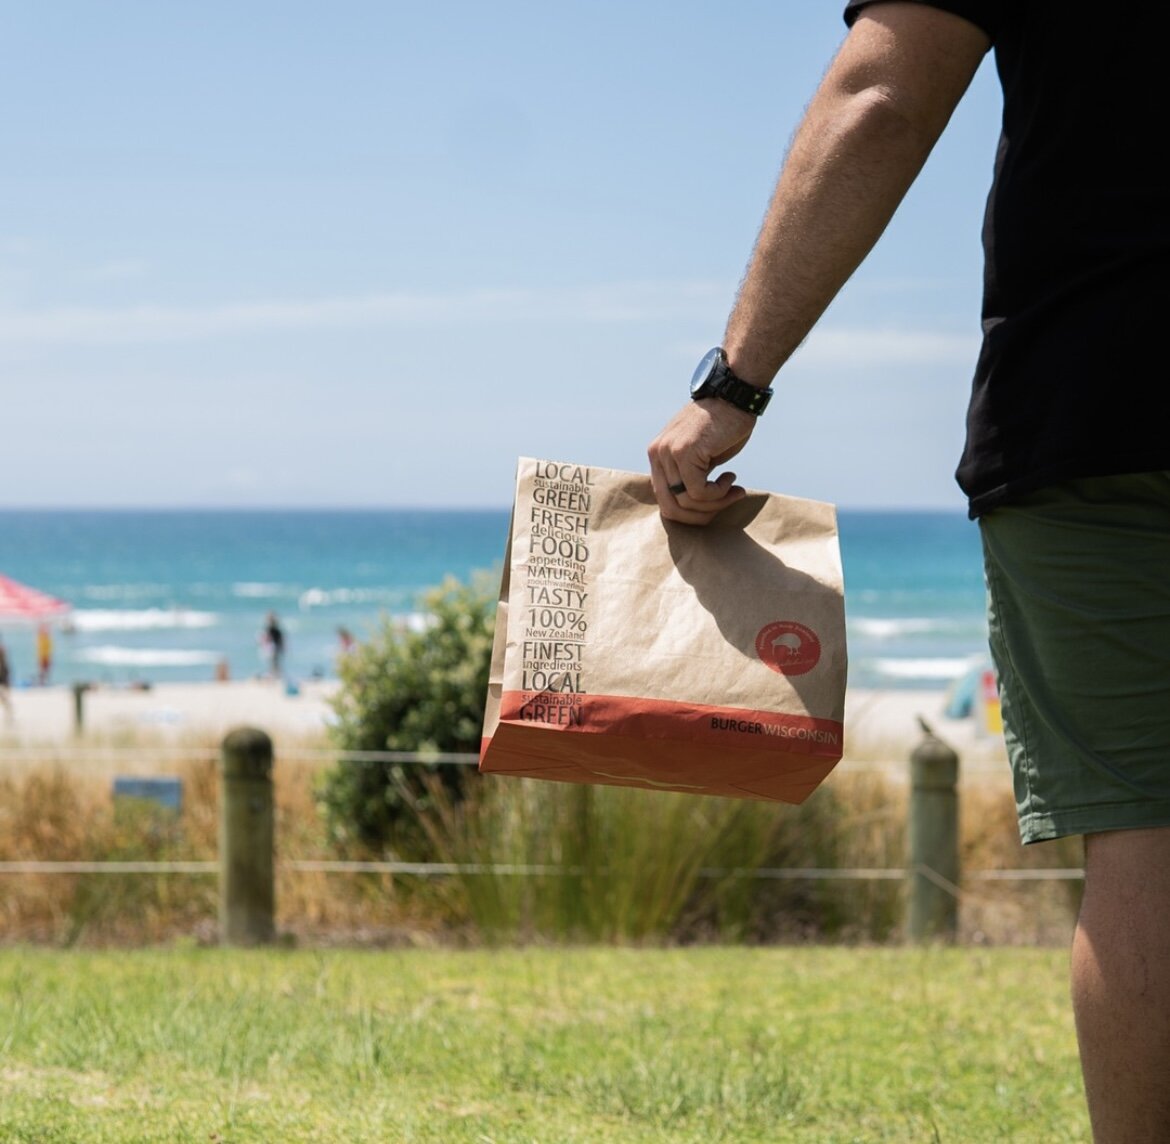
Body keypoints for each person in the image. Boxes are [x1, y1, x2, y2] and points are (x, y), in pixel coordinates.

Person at [647, 4, 1170, 1141]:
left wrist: (731, 385)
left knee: (1145, 835)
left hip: (1105, 402)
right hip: (1094, 411)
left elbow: (881, 97)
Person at [261, 612, 285, 679]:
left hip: (272, 648)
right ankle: (275, 675)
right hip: (274, 648)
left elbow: (266, 639)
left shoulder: (271, 629)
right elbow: (281, 639)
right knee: (274, 663)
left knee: (273, 663)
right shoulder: (275, 630)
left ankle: (274, 675)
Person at [0, 636, 12, 723]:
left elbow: (5, 668)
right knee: (5, 699)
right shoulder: (3, 651)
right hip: (4, 679)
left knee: (5, 699)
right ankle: (9, 715)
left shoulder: (2, 651)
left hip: (3, 679)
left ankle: (9, 716)